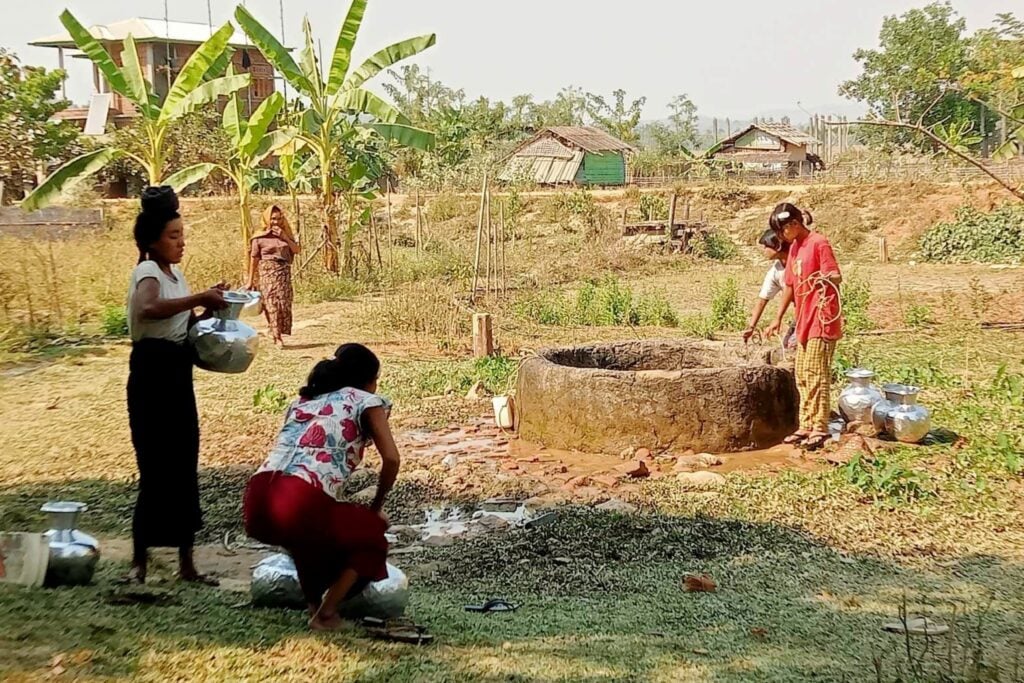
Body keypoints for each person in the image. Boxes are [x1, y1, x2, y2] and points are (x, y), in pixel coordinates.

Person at [243, 343, 401, 631]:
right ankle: (326, 613)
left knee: (306, 541)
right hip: (299, 497)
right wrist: (375, 509)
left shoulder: (302, 402)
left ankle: (315, 608)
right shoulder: (366, 400)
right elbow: (391, 459)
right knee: (374, 535)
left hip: (257, 500)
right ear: (369, 379)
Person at [125, 186, 228, 584]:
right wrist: (197, 298)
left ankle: (187, 564)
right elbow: (148, 310)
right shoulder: (147, 272)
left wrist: (208, 307)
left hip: (177, 373)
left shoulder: (176, 274)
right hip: (151, 374)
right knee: (154, 465)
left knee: (184, 463)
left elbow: (182, 325)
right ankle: (140, 563)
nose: (181, 243)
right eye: (173, 236)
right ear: (153, 240)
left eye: (183, 235)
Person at [764, 203, 843, 450]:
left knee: (816, 374)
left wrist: (823, 279)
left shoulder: (819, 243)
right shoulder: (796, 247)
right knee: (802, 374)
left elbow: (836, 275)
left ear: (794, 225)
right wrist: (777, 317)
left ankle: (819, 427)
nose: (780, 236)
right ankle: (806, 424)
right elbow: (789, 285)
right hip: (803, 319)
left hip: (821, 315)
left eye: (782, 231)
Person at [246, 205, 300, 348]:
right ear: (266, 219)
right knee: (271, 304)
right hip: (266, 273)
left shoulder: (285, 234)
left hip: (283, 274)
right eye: (273, 218)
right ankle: (277, 338)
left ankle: (276, 329)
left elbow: (297, 250)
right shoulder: (259, 237)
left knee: (283, 304)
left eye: (278, 219)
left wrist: (285, 238)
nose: (276, 222)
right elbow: (254, 259)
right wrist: (250, 280)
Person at [742, 228, 796, 349]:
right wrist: (751, 327)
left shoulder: (798, 264)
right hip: (800, 314)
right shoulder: (776, 271)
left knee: (793, 345)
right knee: (787, 345)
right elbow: (762, 300)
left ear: (777, 247)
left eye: (766, 246)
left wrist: (778, 319)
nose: (764, 250)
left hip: (813, 312)